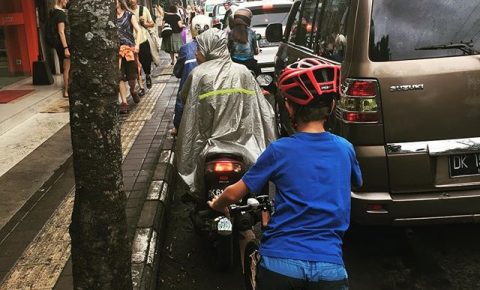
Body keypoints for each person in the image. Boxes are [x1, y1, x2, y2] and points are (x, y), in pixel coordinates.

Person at [208, 58, 363, 290]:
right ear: (332, 106)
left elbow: (232, 194)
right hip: (330, 269)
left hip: (280, 265)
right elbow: (356, 183)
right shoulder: (345, 148)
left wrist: (217, 205)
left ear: (289, 106)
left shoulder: (279, 150)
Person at [176, 28, 276, 199]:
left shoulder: (198, 74)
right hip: (245, 147)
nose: (197, 53)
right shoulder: (243, 72)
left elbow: (185, 99)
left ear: (209, 48)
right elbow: (262, 110)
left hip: (208, 147)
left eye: (199, 49)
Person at [171, 15, 210, 135]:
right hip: (210, 86)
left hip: (191, 86)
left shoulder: (186, 48)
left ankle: (177, 128)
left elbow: (177, 72)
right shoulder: (213, 46)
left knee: (181, 98)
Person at [117, 0, 141, 113]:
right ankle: (124, 102)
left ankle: (132, 90)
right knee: (120, 76)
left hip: (129, 49)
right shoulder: (110, 18)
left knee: (132, 77)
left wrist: (137, 45)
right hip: (117, 51)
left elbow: (138, 30)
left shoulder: (129, 15)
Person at [128, 0, 156, 91]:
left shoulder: (143, 10)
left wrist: (144, 23)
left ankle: (147, 75)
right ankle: (141, 86)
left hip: (143, 40)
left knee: (146, 62)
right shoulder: (127, 12)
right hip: (131, 41)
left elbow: (152, 24)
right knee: (136, 64)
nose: (132, 0)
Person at [228, 8, 260, 76]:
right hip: (250, 64)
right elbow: (255, 51)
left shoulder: (231, 33)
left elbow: (229, 49)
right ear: (248, 20)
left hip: (235, 63)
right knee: (259, 78)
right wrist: (257, 51)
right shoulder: (251, 33)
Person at [51, 0, 70, 98]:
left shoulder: (53, 12)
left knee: (66, 68)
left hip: (59, 44)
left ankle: (67, 90)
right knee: (67, 68)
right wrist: (66, 47)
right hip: (64, 44)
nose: (67, 1)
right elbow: (61, 32)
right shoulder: (61, 14)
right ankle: (66, 91)